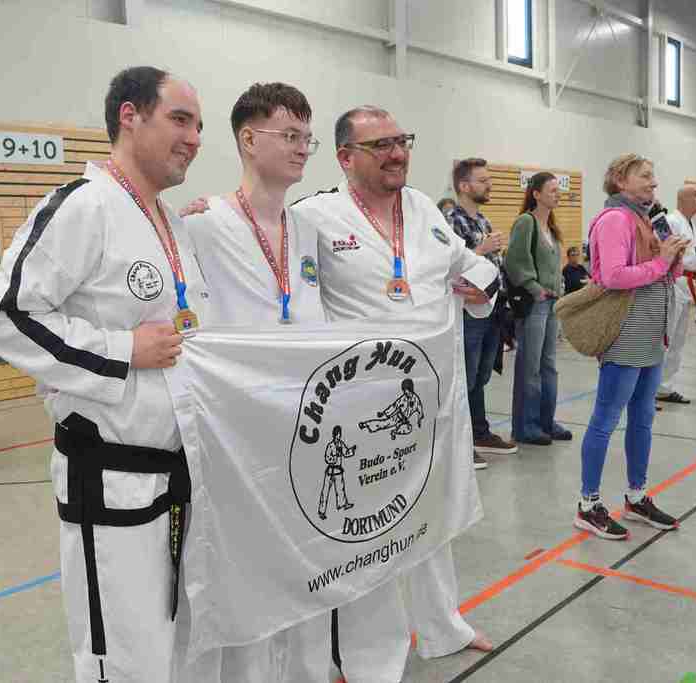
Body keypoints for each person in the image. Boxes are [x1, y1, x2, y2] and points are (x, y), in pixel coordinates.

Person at [0, 66, 208, 683]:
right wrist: (121, 349)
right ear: (130, 116)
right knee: (122, 654)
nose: (194, 138)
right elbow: (4, 316)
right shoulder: (83, 205)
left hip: (176, 472)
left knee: (170, 644)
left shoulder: (171, 222)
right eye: (180, 119)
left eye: (199, 126)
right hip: (109, 476)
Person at [292, 105, 494, 683]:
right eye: (379, 145)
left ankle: (443, 626)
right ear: (344, 157)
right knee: (368, 535)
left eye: (401, 141)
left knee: (430, 521)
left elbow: (471, 268)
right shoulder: (313, 217)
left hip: (431, 403)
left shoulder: (426, 210)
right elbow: (265, 260)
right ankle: (366, 658)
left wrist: (480, 288)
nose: (396, 153)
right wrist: (205, 217)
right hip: (361, 412)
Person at [179, 81, 330, 683]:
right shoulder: (201, 224)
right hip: (237, 438)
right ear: (248, 138)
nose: (301, 148)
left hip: (306, 430)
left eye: (307, 138)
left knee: (307, 569)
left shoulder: (307, 229)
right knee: (245, 580)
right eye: (289, 135)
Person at [574, 154, 688, 541]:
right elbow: (612, 276)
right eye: (645, 176)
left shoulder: (649, 218)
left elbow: (666, 272)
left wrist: (673, 258)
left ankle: (636, 496)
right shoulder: (615, 220)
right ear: (621, 181)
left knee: (642, 419)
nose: (653, 182)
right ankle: (588, 504)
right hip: (626, 333)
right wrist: (661, 262)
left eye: (654, 176)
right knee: (606, 419)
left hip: (652, 333)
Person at [449, 157, 517, 468]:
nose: (489, 185)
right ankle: (461, 442)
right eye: (483, 180)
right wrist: (481, 250)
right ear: (464, 186)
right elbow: (450, 264)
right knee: (465, 377)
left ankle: (479, 431)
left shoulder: (483, 221)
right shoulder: (450, 222)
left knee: (481, 375)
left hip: (492, 306)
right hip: (468, 310)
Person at [504, 172, 572, 446]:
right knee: (530, 366)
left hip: (553, 304)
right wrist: (535, 288)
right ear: (536, 194)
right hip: (535, 303)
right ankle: (526, 426)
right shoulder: (526, 222)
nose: (558, 194)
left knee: (548, 366)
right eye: (552, 190)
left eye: (558, 190)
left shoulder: (551, 228)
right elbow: (514, 261)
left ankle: (546, 421)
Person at [656, 184, 696, 405]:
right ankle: (652, 387)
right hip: (674, 282)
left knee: (678, 339)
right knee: (667, 336)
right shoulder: (671, 221)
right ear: (683, 198)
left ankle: (665, 387)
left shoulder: (691, 223)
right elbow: (661, 252)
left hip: (688, 283)